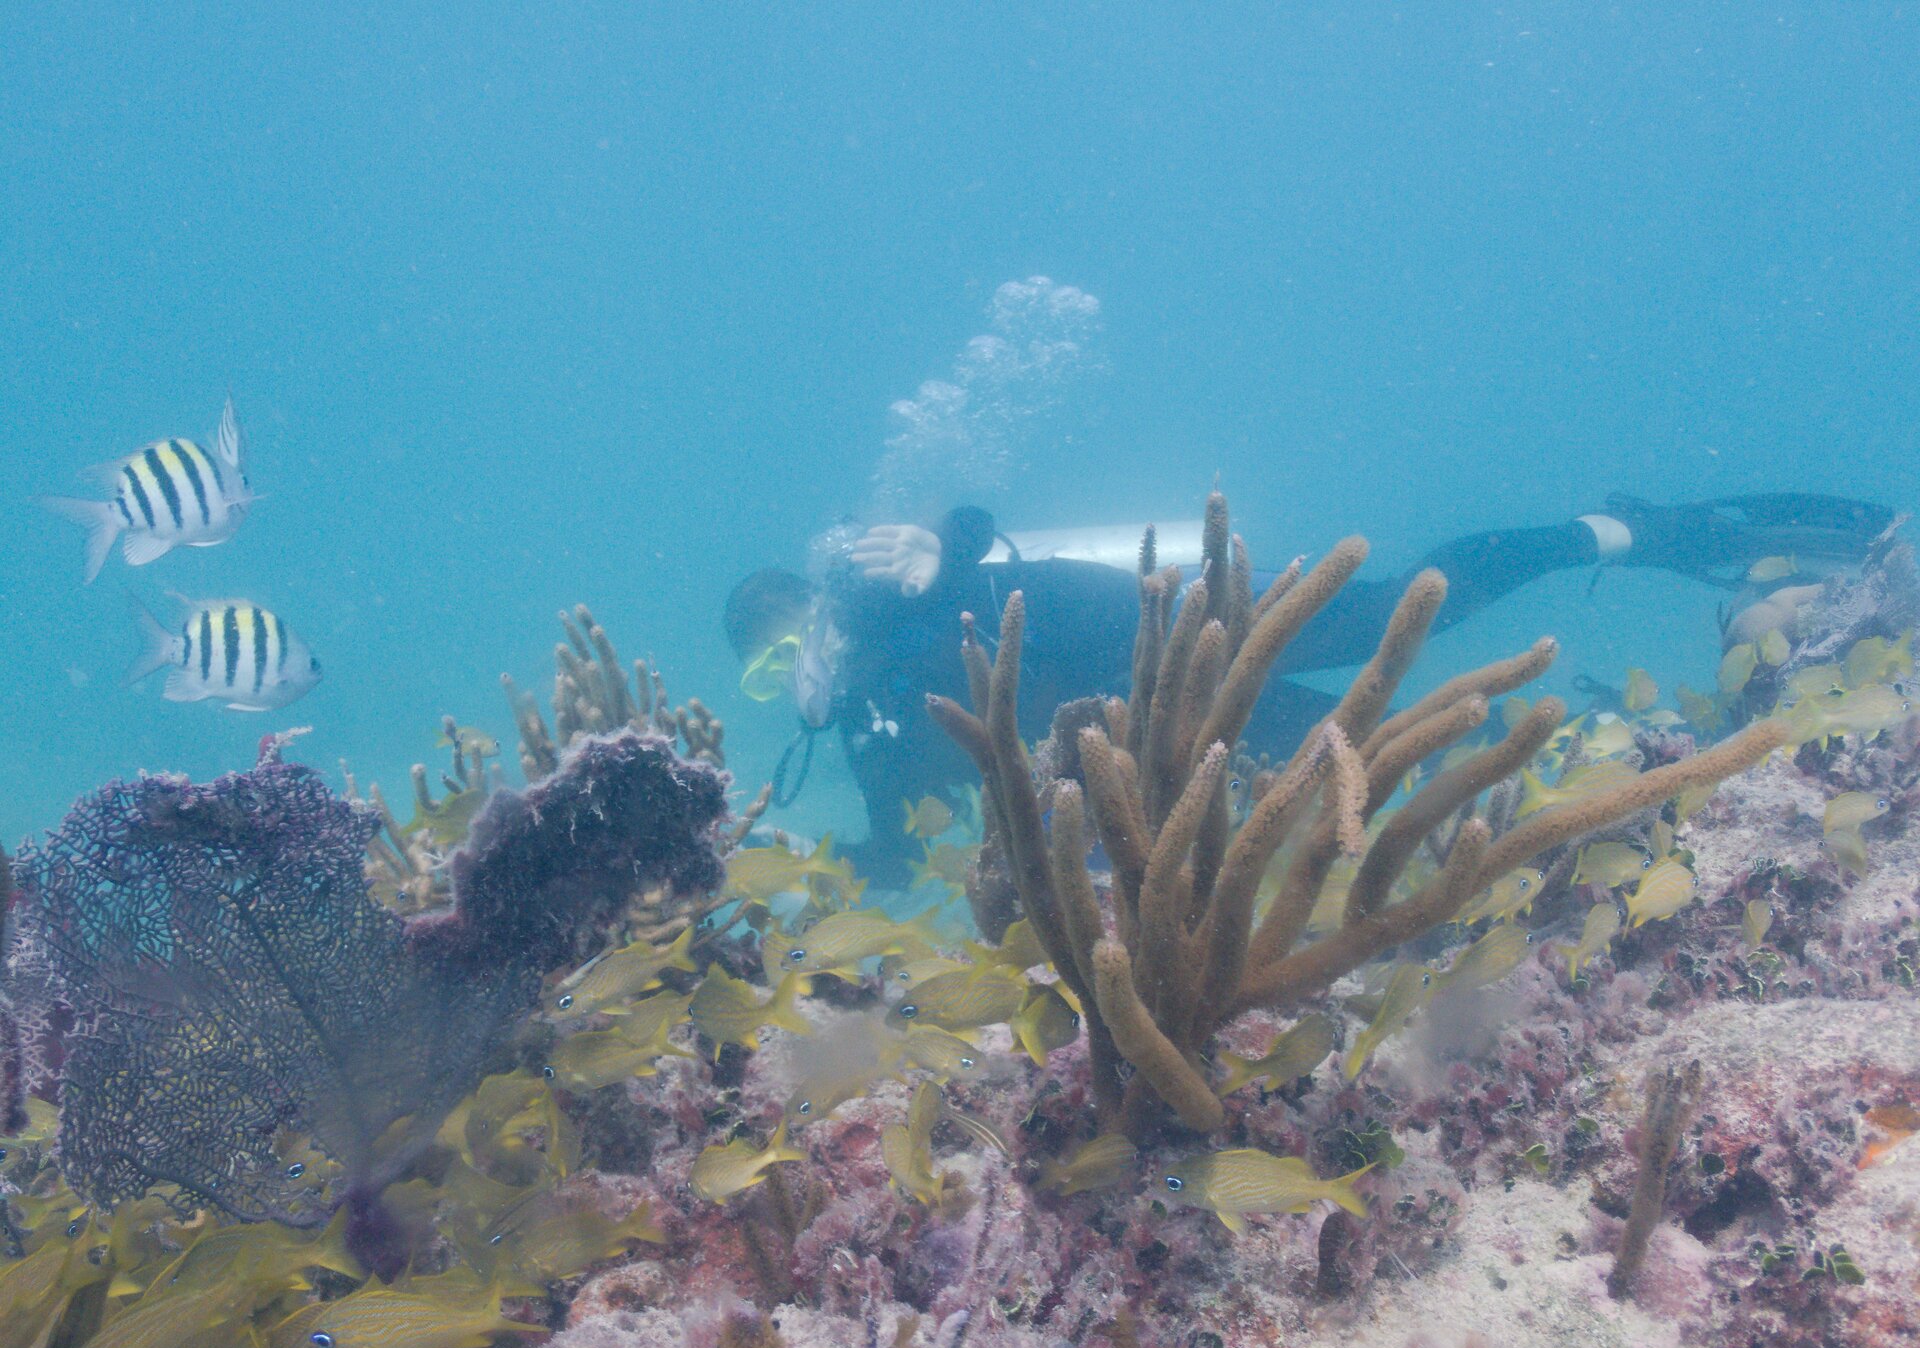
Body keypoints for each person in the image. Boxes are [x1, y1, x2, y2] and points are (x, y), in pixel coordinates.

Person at [725, 492, 1891, 886]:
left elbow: (968, 540)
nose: (798, 680)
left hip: (1181, 629)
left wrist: (948, 548)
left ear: (825, 616)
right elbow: (896, 844)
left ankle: (1625, 529)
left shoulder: (895, 604)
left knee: (1390, 614)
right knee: (1357, 759)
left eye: (795, 646)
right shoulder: (870, 748)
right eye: (769, 675)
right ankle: (1622, 780)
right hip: (1167, 738)